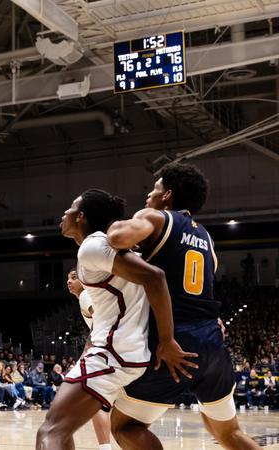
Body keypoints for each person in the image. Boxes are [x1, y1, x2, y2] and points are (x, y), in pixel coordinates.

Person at [106, 163, 260, 449]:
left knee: (126, 426)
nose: (148, 197)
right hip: (211, 343)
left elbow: (116, 238)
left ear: (167, 195)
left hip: (173, 344)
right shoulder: (206, 238)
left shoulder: (155, 217)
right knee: (230, 434)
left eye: (153, 191)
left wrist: (118, 222)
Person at [36, 189, 195, 450]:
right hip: (124, 351)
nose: (64, 213)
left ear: (82, 217)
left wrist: (167, 340)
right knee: (112, 430)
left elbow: (155, 278)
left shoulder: (93, 245)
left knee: (51, 431)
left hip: (113, 353)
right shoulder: (110, 247)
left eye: (71, 208)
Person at [66, 268, 112, 450]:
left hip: (107, 352)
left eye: (74, 277)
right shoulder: (88, 296)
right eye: (67, 279)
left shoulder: (86, 295)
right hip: (116, 351)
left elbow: (103, 318)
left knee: (95, 402)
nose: (69, 282)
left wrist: (90, 346)